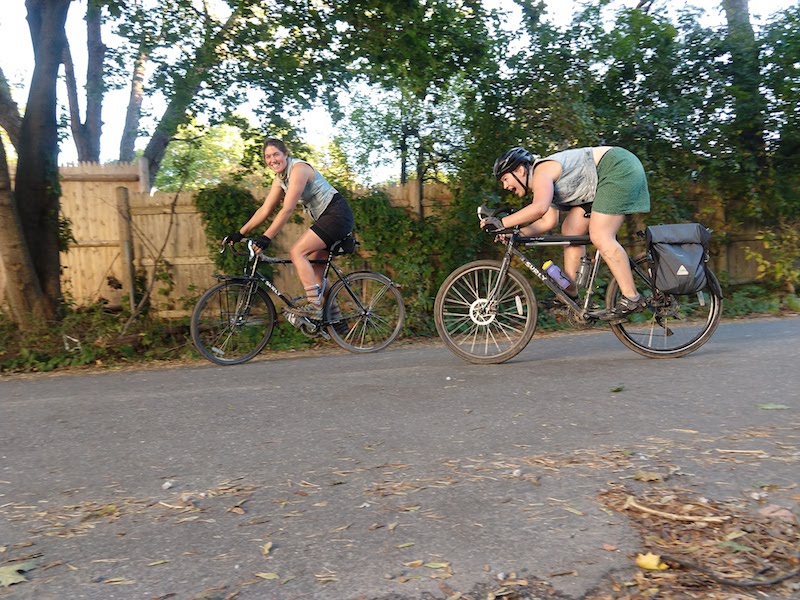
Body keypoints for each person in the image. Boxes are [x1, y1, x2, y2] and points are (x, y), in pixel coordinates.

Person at [485, 145, 650, 319]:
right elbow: (548, 220)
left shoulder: (541, 171)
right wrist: (516, 233)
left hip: (617, 167)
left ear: (519, 170)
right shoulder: (543, 184)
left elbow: (539, 208)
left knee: (600, 235)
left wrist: (501, 223)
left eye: (505, 179)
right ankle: (571, 294)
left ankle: (632, 297)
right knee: (571, 229)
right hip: (598, 183)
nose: (505, 186)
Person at [226, 138, 354, 320]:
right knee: (317, 272)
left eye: (276, 154)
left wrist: (266, 237)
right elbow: (265, 209)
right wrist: (240, 233)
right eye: (268, 157)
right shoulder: (280, 179)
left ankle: (315, 306)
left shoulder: (299, 170)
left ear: (286, 155)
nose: (272, 160)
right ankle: (336, 319)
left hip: (337, 215)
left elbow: (287, 209)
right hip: (328, 219)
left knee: (297, 252)